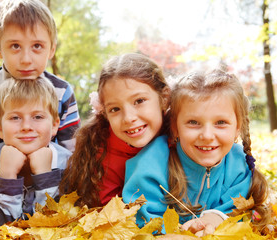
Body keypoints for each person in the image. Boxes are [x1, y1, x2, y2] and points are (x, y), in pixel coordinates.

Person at [0, 0, 80, 219]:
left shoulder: (62, 92)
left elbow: (73, 153)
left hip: (49, 187)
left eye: (37, 46)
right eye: (15, 46)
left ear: (51, 49)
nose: (26, 59)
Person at [122, 69, 270, 236]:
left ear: (237, 128)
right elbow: (140, 221)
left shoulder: (239, 164)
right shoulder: (151, 166)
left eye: (221, 122)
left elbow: (240, 212)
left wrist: (215, 219)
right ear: (175, 127)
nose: (207, 136)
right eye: (193, 122)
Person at [59, 53, 170, 207]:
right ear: (104, 113)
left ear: (164, 98)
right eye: (115, 109)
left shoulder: (182, 135)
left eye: (139, 101)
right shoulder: (103, 153)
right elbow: (110, 213)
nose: (128, 118)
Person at [0, 77, 72, 231]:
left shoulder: (69, 164)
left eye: (37, 117)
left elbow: (63, 228)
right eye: (15, 117)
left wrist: (46, 177)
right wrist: (7, 178)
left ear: (54, 125)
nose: (26, 126)